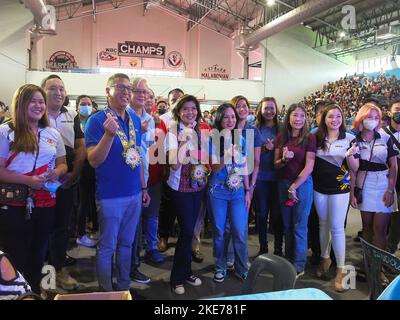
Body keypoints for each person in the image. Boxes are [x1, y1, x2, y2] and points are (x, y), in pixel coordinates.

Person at [85, 73, 150, 291]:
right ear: (108, 91)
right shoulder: (96, 120)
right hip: (110, 196)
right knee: (107, 247)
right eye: (119, 87)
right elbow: (93, 161)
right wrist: (108, 135)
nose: (125, 91)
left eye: (128, 88)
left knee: (127, 244)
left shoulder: (134, 119)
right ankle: (106, 292)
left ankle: (123, 289)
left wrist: (143, 187)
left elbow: (136, 156)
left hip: (134, 193)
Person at [0, 84, 67, 293]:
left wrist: (57, 172)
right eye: (33, 101)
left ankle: (35, 292)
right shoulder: (5, 132)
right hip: (13, 204)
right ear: (21, 104)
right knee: (15, 252)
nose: (39, 106)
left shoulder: (52, 133)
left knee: (39, 251)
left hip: (45, 202)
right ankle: (16, 293)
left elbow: (63, 164)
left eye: (41, 102)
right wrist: (28, 181)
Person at [42, 74, 86, 291]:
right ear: (42, 92)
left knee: (61, 227)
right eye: (53, 88)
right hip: (38, 182)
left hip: (66, 180)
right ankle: (38, 275)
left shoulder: (72, 114)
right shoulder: (35, 113)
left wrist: (74, 173)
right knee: (40, 226)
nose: (58, 93)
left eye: (61, 88)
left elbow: (80, 146)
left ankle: (57, 270)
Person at [164, 95, 207, 294]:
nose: (190, 113)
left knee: (190, 233)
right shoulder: (173, 132)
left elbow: (204, 157)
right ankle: (176, 278)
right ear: (179, 113)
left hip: (197, 186)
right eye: (185, 109)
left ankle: (187, 271)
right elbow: (173, 163)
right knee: (187, 231)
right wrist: (184, 141)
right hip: (180, 188)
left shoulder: (201, 130)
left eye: (193, 109)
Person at [313, 103, 357, 292]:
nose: (335, 120)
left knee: (337, 228)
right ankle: (325, 258)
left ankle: (341, 269)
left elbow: (355, 168)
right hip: (319, 188)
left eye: (338, 116)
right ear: (324, 119)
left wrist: (349, 156)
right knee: (322, 224)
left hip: (341, 188)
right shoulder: (316, 138)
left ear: (342, 118)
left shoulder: (350, 139)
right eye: (331, 116)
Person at [208, 103, 250, 283]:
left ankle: (241, 267)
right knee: (219, 230)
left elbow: (245, 166)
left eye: (233, 116)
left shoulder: (241, 138)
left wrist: (248, 190)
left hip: (238, 191)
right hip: (218, 190)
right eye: (226, 117)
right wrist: (227, 154)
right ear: (219, 119)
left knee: (240, 230)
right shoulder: (212, 138)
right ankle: (220, 266)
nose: (230, 120)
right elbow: (215, 168)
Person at [274, 103, 316, 277]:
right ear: (288, 117)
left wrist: (295, 186)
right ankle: (288, 259)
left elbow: (310, 166)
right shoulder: (281, 137)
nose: (298, 119)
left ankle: (298, 264)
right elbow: (275, 165)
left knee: (299, 226)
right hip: (283, 184)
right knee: (287, 225)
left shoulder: (310, 138)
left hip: (302, 185)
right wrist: (283, 159)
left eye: (301, 115)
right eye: (295, 115)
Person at [351, 104, 397, 259]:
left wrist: (390, 190)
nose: (373, 120)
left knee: (380, 229)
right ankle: (368, 264)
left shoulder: (385, 137)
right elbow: (352, 170)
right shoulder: (354, 139)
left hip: (383, 184)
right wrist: (352, 194)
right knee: (367, 228)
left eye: (376, 117)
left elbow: (394, 165)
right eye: (369, 117)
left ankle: (379, 267)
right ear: (361, 118)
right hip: (364, 184)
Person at [129, 77, 158, 284]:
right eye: (137, 91)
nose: (141, 95)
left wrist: (145, 184)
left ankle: (132, 266)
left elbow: (146, 150)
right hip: (128, 178)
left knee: (137, 226)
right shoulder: (124, 115)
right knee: (130, 229)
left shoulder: (150, 118)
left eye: (144, 92)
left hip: (143, 176)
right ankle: (127, 269)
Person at [254, 97, 283, 256]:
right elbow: (250, 154)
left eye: (272, 108)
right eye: (266, 108)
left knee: (277, 215)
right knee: (262, 213)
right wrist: (265, 148)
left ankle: (278, 248)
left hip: (278, 178)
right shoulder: (255, 128)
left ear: (276, 110)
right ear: (260, 110)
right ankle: (263, 246)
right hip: (260, 178)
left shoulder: (282, 129)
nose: (269, 111)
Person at [75, 95, 98, 248]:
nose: (86, 106)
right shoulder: (74, 121)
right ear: (77, 106)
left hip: (93, 167)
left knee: (92, 200)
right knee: (82, 202)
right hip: (79, 166)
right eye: (83, 104)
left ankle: (94, 226)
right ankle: (80, 234)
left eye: (88, 104)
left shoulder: (95, 121)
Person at [386, 97, 400, 254]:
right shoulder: (382, 134)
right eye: (397, 110)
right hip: (387, 182)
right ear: (389, 113)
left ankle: (390, 250)